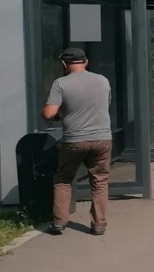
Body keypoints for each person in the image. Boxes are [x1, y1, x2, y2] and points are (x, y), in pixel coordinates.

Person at [41, 47, 113, 235]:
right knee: (100, 181)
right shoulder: (103, 81)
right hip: (102, 138)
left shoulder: (60, 83)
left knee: (64, 178)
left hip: (75, 140)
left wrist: (59, 114)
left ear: (64, 64)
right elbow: (105, 105)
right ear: (86, 62)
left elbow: (49, 113)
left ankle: (59, 222)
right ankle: (99, 225)